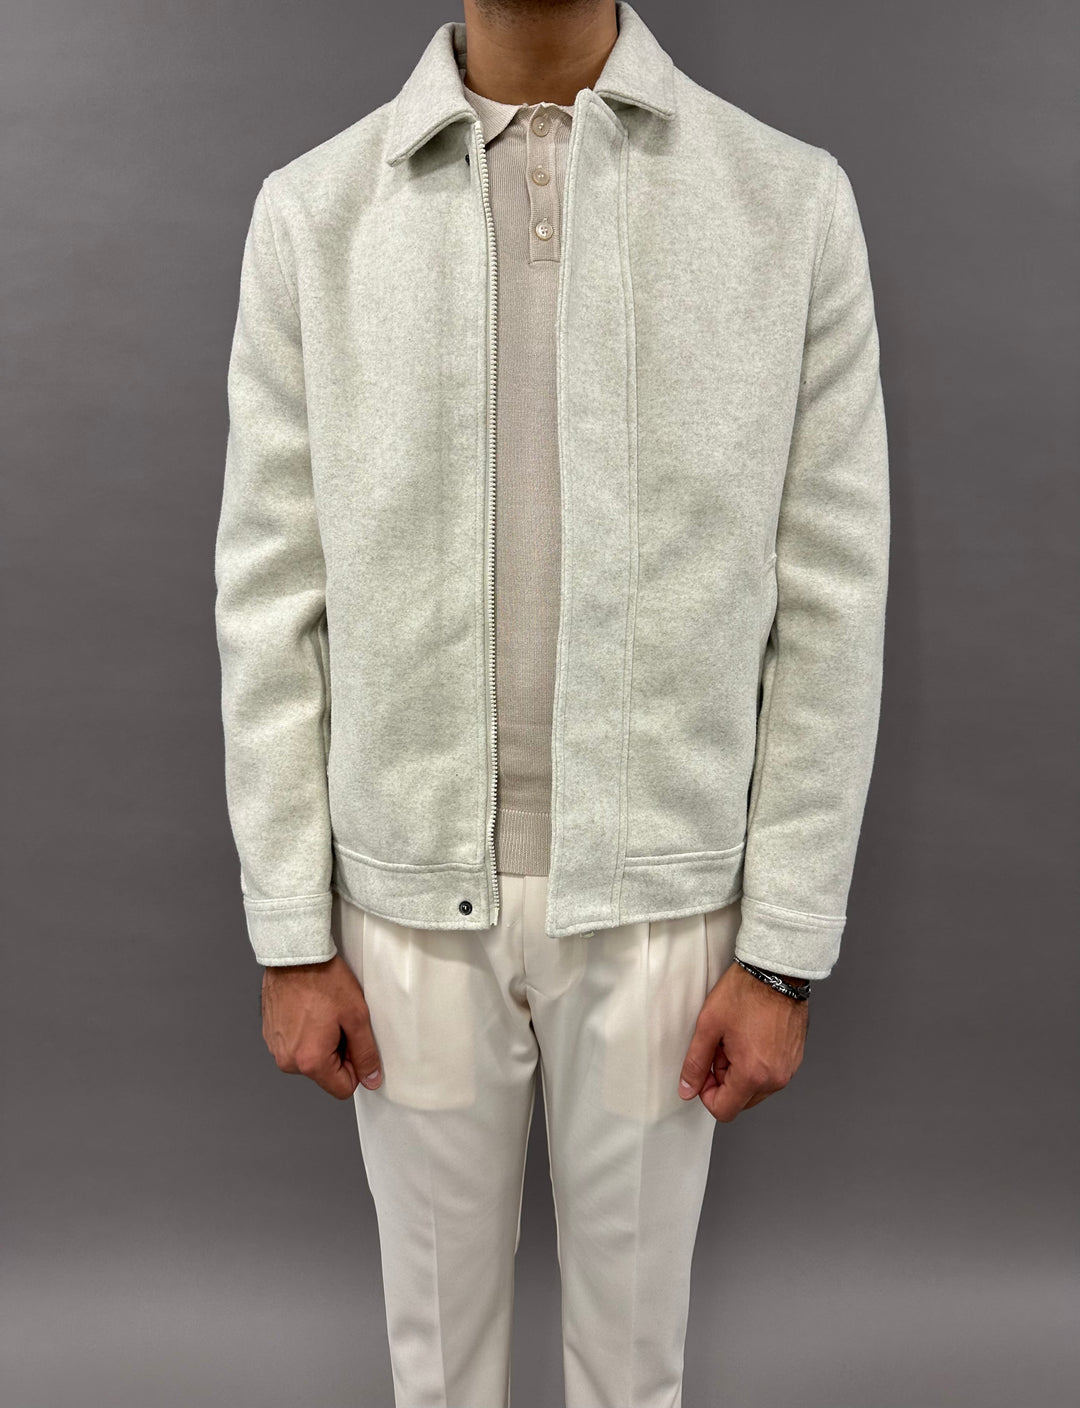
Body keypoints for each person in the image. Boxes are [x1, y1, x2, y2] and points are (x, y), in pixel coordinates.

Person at [213, 1, 890, 1402]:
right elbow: (271, 594)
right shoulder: (313, 214)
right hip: (406, 905)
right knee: (438, 1375)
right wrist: (290, 933)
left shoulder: (787, 204)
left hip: (662, 907)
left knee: (633, 1375)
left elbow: (830, 603)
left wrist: (780, 954)